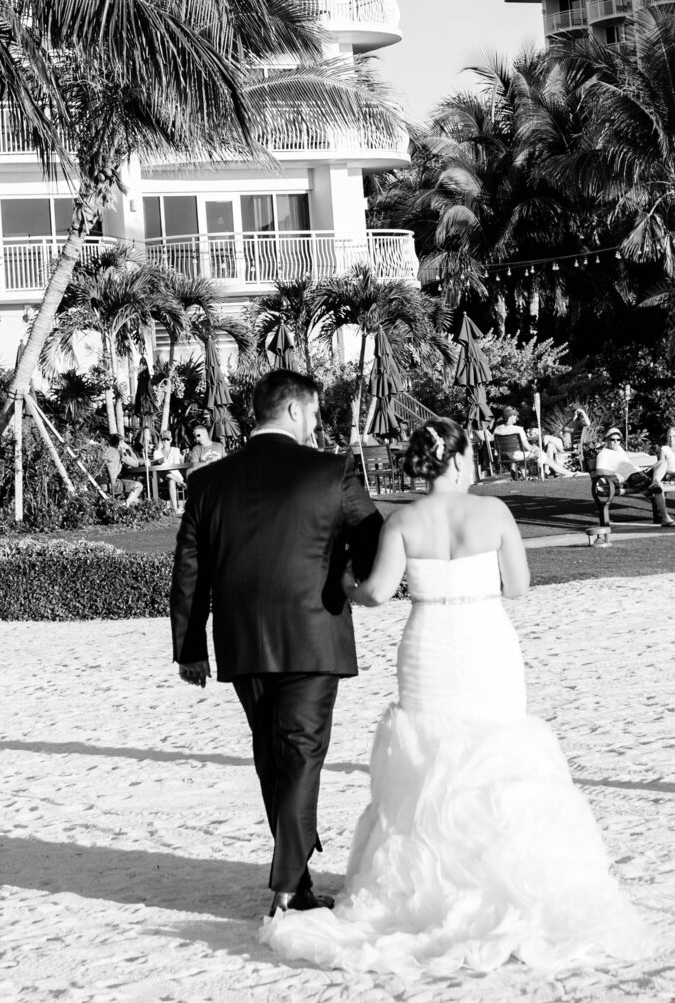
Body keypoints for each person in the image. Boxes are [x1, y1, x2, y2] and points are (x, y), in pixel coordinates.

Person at [261, 418, 652, 976]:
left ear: (423, 464)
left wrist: (347, 583)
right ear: (461, 461)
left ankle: (426, 884)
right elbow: (518, 585)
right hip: (486, 639)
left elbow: (375, 591)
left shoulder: (404, 520)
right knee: (496, 749)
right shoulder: (493, 513)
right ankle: (502, 875)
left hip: (427, 647)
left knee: (428, 755)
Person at [170, 368, 383, 917]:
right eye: (313, 412)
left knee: (274, 758)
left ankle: (298, 884)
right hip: (314, 633)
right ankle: (287, 885)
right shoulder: (334, 471)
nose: (316, 423)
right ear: (292, 410)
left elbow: (189, 573)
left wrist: (191, 648)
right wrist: (351, 578)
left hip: (243, 642)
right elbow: (374, 537)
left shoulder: (208, 482)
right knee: (301, 755)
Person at [594, 427, 675, 526]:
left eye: (618, 439)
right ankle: (666, 518)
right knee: (658, 488)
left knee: (663, 462)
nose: (616, 442)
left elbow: (627, 454)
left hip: (641, 473)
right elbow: (600, 470)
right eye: (612, 439)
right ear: (606, 440)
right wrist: (614, 474)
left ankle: (654, 482)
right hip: (632, 478)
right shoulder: (603, 454)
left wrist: (641, 453)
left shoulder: (619, 449)